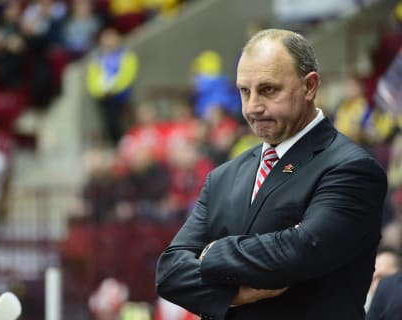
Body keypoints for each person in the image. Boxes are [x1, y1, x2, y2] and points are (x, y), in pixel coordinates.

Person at [155, 29, 388, 320]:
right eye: (244, 91)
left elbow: (300, 252)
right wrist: (234, 295)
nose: (253, 107)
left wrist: (211, 252)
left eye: (268, 90)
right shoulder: (223, 176)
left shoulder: (352, 168)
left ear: (310, 86)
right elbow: (170, 272)